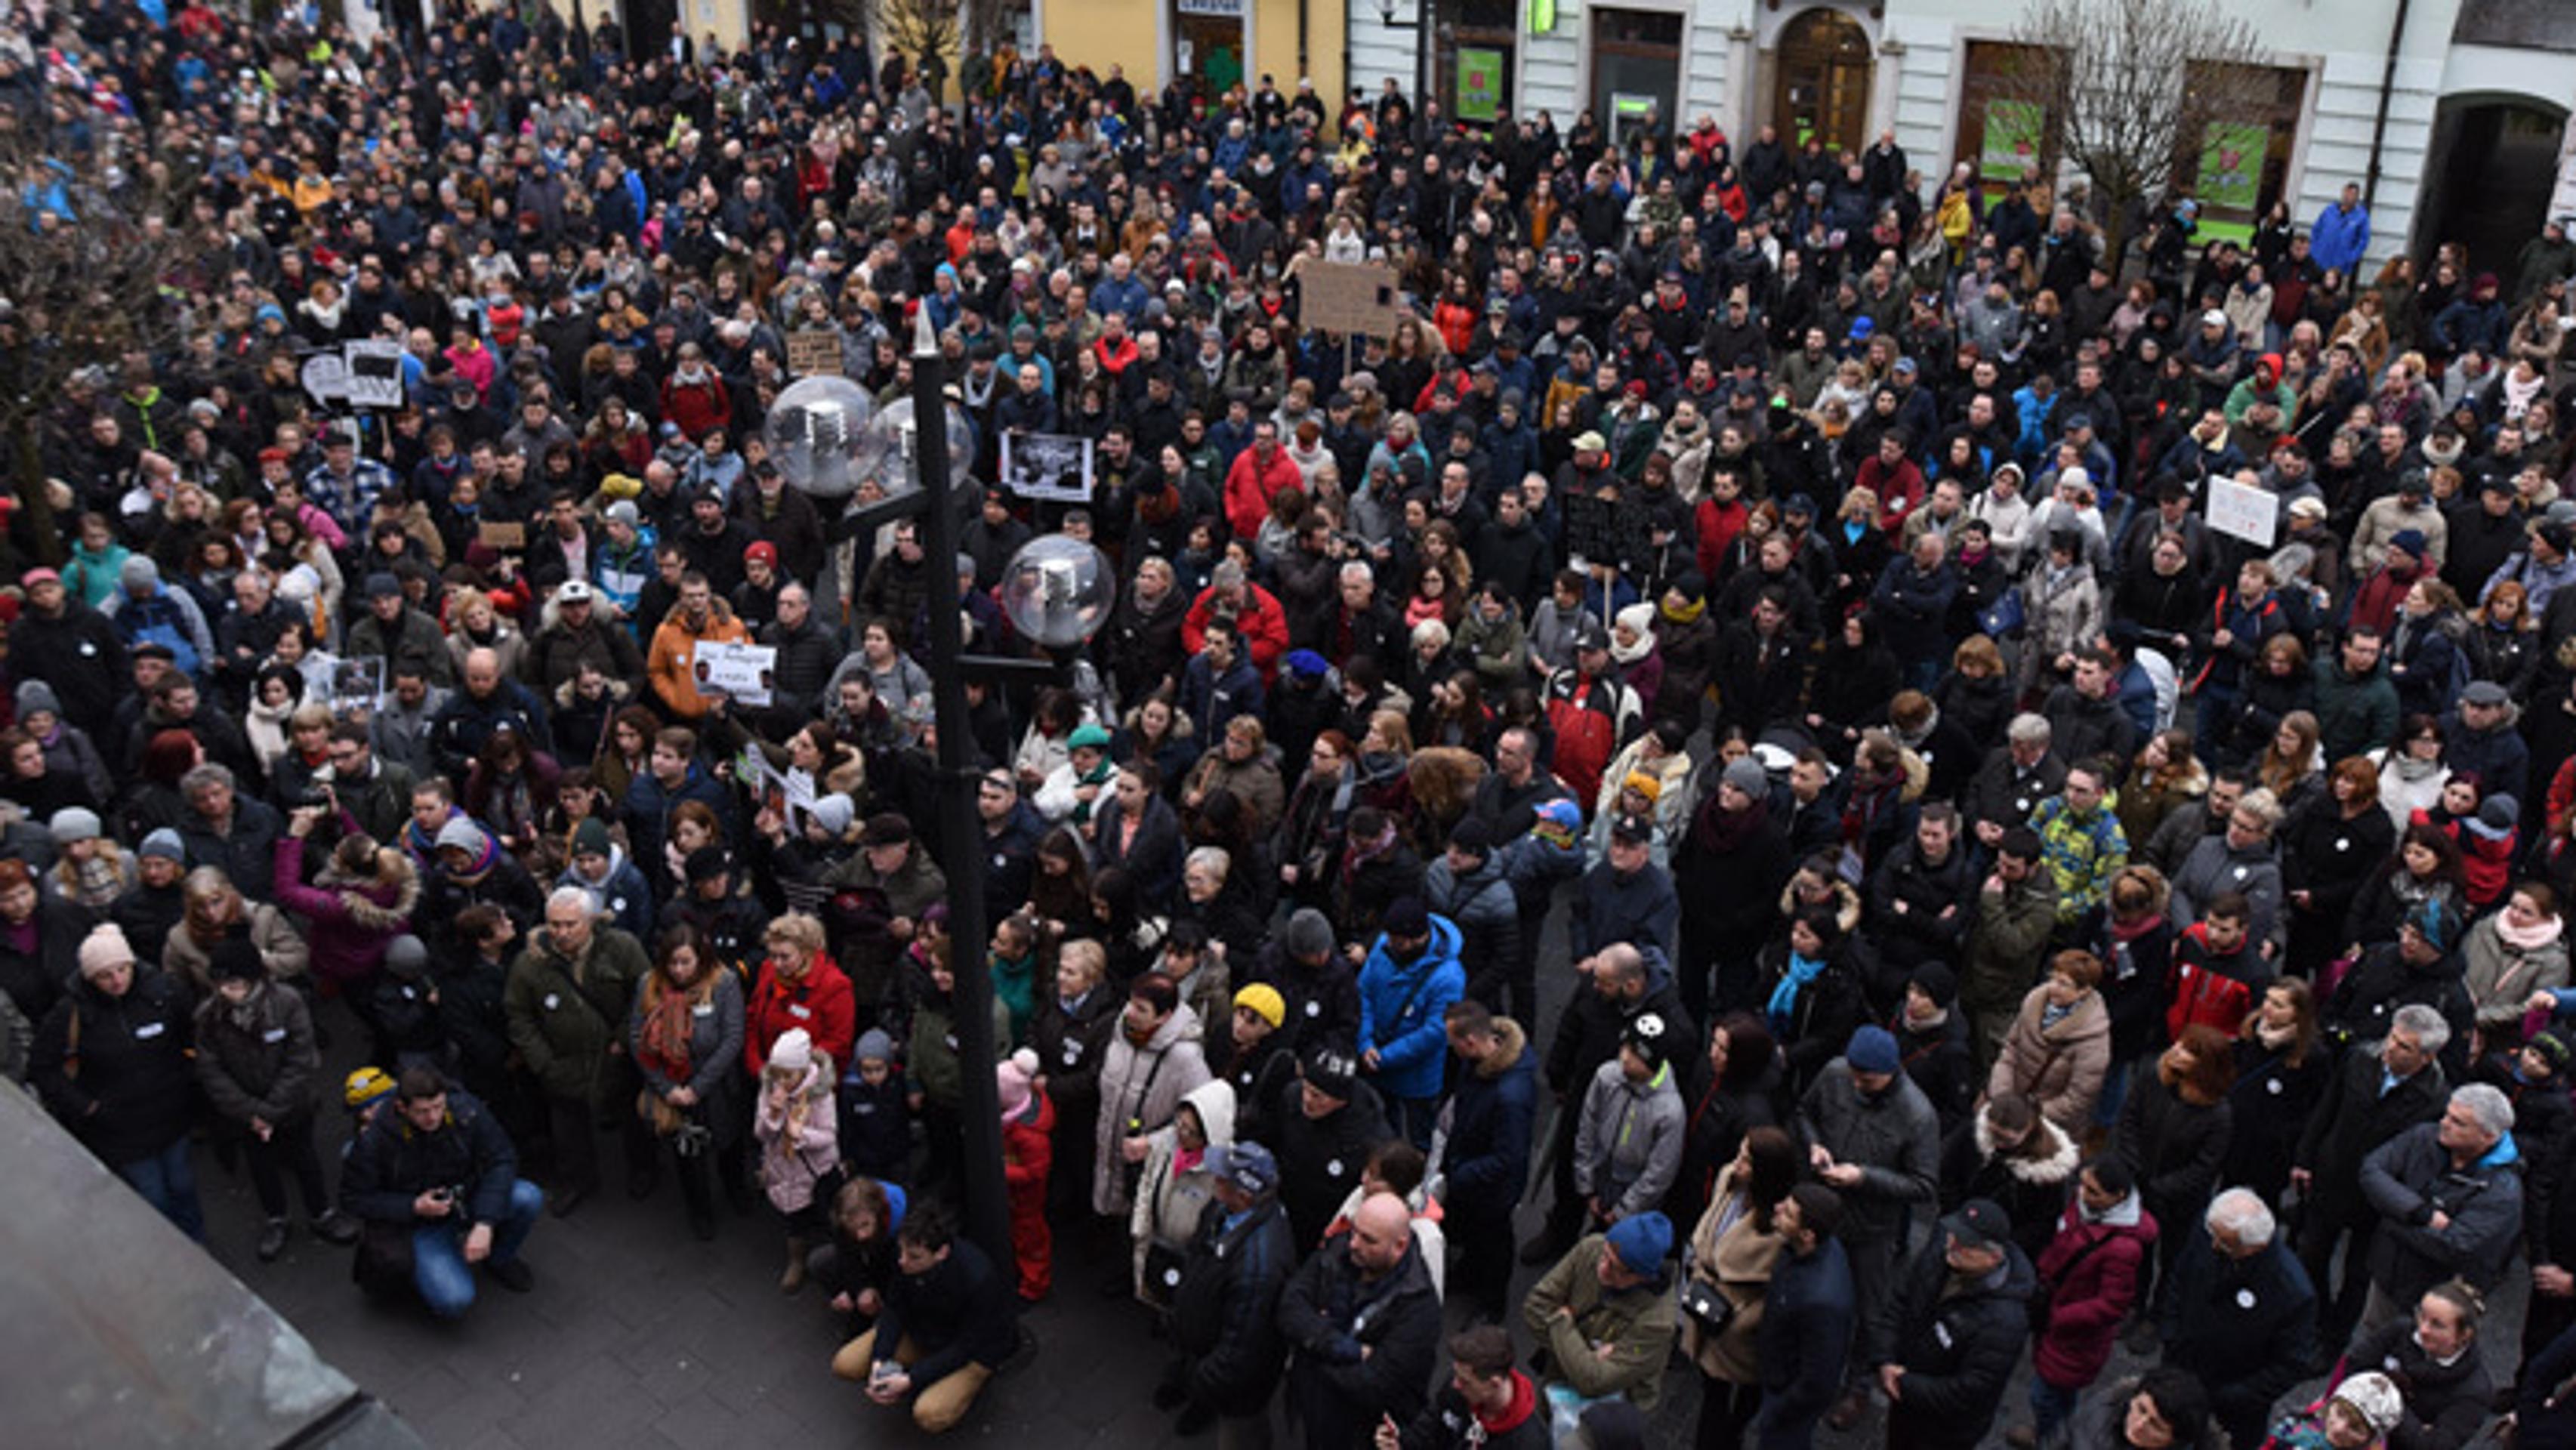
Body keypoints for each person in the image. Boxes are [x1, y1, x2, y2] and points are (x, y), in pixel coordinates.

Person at [1803, 1024, 1941, 1430]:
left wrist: (1864, 1178)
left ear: (1892, 1071)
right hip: (1825, 1212)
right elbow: (1805, 1113)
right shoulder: (1835, 1074)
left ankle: (1858, 1386)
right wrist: (1814, 1143)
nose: (1857, 1084)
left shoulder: (1917, 1115)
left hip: (1872, 1228)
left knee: (1870, 1312)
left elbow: (1924, 1185)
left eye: (1868, 1079)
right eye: (1855, 1075)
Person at [194, 937, 362, 1262]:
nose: (227, 990)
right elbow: (211, 1070)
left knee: (305, 1159)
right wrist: (251, 1113)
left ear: (255, 978)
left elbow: (301, 1059)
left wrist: (270, 1111)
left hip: (292, 1105)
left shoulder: (287, 1002)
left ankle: (322, 1213)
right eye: (220, 983)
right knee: (261, 1166)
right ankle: (276, 1219)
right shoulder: (208, 1016)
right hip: (246, 1112)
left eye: (235, 982)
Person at [32, 924, 204, 1241]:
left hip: (171, 1115)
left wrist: (186, 1079)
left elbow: (194, 1038)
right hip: (120, 1130)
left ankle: (197, 1242)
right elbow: (44, 1069)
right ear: (89, 978)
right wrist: (88, 1107)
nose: (117, 981)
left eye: (122, 969)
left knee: (182, 1185)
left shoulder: (163, 993)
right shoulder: (70, 1013)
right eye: (104, 975)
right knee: (153, 1197)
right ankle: (171, 1251)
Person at [2294, 1003, 2452, 1347]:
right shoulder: (2361, 1059)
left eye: (2404, 1047)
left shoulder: (2435, 1099)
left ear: (2426, 1057)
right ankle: (2316, 1320)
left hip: (2378, 1201)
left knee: (2358, 1276)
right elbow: (2328, 1108)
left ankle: (2334, 1339)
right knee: (2311, 1254)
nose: (2391, 1049)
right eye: (2392, 1038)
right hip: (2333, 1174)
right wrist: (2305, 1158)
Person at [338, 1065, 543, 1317]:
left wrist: (485, 1223)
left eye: (438, 1107)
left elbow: (502, 1159)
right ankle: (432, 1266)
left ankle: (499, 1258)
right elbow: (354, 1199)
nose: (433, 1118)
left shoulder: (466, 1111)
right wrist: (413, 1206)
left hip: (468, 1197)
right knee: (454, 1301)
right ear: (402, 1108)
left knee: (528, 1197)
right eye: (422, 1112)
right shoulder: (374, 1142)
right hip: (423, 1224)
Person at [504, 886, 655, 1216]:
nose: (561, 933)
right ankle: (578, 1181)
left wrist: (624, 1038)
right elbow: (519, 1014)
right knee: (568, 1130)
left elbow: (646, 994)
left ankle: (643, 1169)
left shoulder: (622, 947)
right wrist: (542, 1061)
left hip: (616, 1059)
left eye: (571, 924)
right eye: (555, 924)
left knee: (633, 1118)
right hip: (563, 1063)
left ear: (590, 921)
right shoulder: (530, 964)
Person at [1278, 1192, 1445, 1450]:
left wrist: (1311, 1345)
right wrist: (1340, 1347)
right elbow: (1290, 1306)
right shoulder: (1340, 1251)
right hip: (1314, 1410)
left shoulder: (1419, 1308)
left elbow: (1374, 1385)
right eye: (1355, 1231)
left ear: (1399, 1246)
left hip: (1361, 1433)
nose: (1354, 1243)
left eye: (1369, 1240)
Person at [2354, 1081, 2524, 1332]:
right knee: (2373, 1341)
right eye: (2447, 1114)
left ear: (2488, 1137)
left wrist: (2393, 1218)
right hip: (2388, 1277)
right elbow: (2372, 1170)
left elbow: (2454, 1246)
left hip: (2438, 1305)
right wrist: (2417, 1213)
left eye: (2458, 1122)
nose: (2444, 1123)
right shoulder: (2424, 1137)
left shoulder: (2502, 1192)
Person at [831, 1208, 1019, 1435]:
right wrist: (880, 1359)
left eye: (914, 1257)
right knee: (845, 1363)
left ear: (941, 1253)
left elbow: (966, 1346)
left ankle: (966, 1386)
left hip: (973, 1352)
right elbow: (895, 1308)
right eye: (902, 1252)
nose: (903, 1262)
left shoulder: (978, 1279)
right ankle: (926, 1372)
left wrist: (912, 1379)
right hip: (927, 1331)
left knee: (929, 1414)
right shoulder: (908, 1254)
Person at [2158, 1188, 2321, 1448]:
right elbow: (2180, 1276)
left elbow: (2289, 1365)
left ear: (2255, 1246)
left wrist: (2228, 1397)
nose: (2213, 1246)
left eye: (2225, 1243)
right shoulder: (2211, 1228)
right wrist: (2169, 1333)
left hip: (2232, 1410)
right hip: (2179, 1371)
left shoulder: (2292, 1292)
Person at [2017, 1157, 2157, 1448]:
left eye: (2093, 1190)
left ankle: (2051, 1439)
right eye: (2083, 1185)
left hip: (2074, 1334)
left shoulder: (2123, 1248)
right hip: (2055, 1312)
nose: (2083, 1193)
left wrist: (2061, 1317)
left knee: (2045, 1394)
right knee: (2056, 1395)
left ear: (2117, 1197)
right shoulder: (2085, 1209)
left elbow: (2112, 1304)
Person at [1163, 1140, 1295, 1445]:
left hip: (1231, 1385)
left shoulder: (1259, 1267)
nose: (1213, 1179)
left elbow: (1241, 1348)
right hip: (1202, 1342)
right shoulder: (1224, 1209)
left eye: (1221, 1178)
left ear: (1244, 1195)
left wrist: (1201, 1381)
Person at [1875, 1198, 2035, 1450]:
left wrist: (1906, 1384)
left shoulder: (2005, 1323)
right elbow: (1900, 1302)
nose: (1952, 1244)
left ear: (1992, 1257)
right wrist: (1886, 1360)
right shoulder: (1942, 1254)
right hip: (1904, 1397)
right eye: (1954, 1235)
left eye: (1965, 1244)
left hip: (1944, 1430)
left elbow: (1970, 1390)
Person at [626, 924, 746, 1240]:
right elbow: (637, 1039)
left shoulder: (724, 983)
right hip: (674, 1088)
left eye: (685, 962)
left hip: (717, 1087)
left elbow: (732, 1039)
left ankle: (736, 1190)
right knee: (687, 1156)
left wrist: (697, 1087)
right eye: (672, 962)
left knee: (729, 1143)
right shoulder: (648, 985)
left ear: (701, 958)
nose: (678, 970)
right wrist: (668, 1089)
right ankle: (700, 1211)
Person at [1683, 1126, 1798, 1448]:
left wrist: (1742, 1322)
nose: (1737, 1164)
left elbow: (1775, 1290)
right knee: (1713, 1388)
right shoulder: (1729, 1180)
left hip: (1740, 1325)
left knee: (1743, 1389)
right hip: (1707, 1301)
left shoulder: (1779, 1227)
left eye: (1746, 1160)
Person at [1522, 1208, 1682, 1411]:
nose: (1603, 1268)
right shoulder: (1592, 1247)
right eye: (1605, 1255)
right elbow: (1535, 1306)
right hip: (1557, 1379)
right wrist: (1586, 1359)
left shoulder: (1657, 1322)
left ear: (1642, 1276)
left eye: (1615, 1266)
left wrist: (1562, 1321)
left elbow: (1595, 1383)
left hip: (1610, 1409)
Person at [1436, 999, 1537, 1322]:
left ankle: (1493, 1305)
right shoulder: (1477, 1065)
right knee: (1473, 1233)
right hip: (1468, 1166)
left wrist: (1463, 1173)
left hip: (1492, 1186)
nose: (1451, 1048)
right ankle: (1469, 1275)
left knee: (1494, 1243)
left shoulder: (1511, 1096)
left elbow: (1508, 1157)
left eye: (1453, 1042)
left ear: (1469, 1042)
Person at [2340, 1280, 2494, 1450]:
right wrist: (2417, 1428)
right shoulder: (2401, 1330)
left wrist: (2386, 1400)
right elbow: (2354, 1365)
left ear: (2464, 1335)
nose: (2423, 1329)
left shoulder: (2474, 1392)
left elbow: (2433, 1446)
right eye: (2422, 1315)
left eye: (2437, 1325)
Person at [753, 1027, 840, 1294]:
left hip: (815, 1172)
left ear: (802, 1071)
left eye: (788, 1075)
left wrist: (801, 1135)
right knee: (794, 1223)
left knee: (828, 1217)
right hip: (784, 1169)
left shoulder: (821, 1095)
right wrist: (774, 1114)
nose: (781, 1082)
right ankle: (797, 1261)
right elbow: (761, 1133)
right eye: (777, 1074)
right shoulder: (769, 1091)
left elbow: (828, 1136)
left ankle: (837, 1261)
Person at [1374, 1323, 1548, 1450]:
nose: (1455, 1384)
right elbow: (1429, 1427)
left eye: (1465, 1381)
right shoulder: (1458, 1388)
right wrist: (1401, 1444)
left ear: (1494, 1383)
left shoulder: (1529, 1443)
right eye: (1456, 1374)